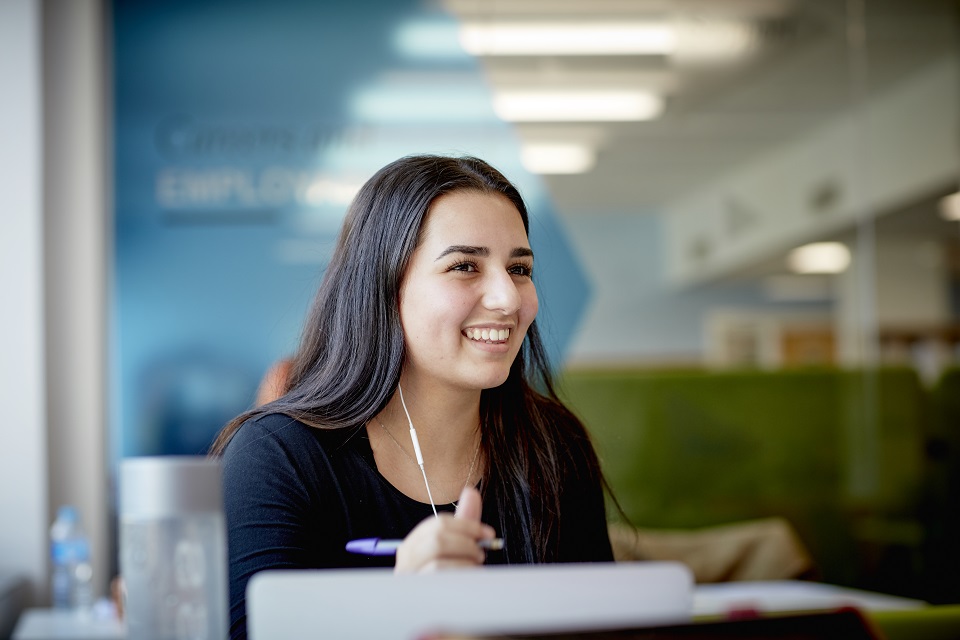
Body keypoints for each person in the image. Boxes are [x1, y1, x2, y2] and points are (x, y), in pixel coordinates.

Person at [210, 154, 614, 640]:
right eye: (465, 266)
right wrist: (398, 609)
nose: (508, 298)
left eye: (520, 268)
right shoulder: (276, 457)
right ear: (384, 286)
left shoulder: (554, 445)